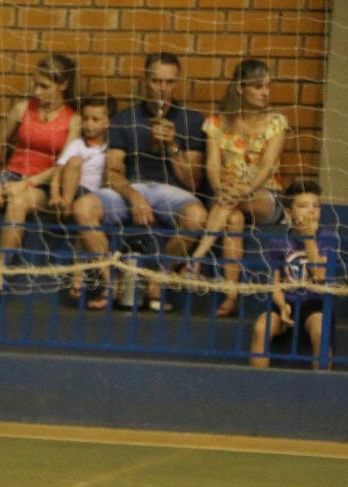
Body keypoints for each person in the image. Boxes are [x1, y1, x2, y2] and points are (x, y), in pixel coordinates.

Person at [78, 52, 207, 312]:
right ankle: (112, 284)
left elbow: (193, 182)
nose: (163, 88)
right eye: (156, 81)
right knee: (83, 208)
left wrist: (172, 146)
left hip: (174, 192)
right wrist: (135, 198)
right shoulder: (125, 119)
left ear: (178, 82)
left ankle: (157, 282)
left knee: (197, 217)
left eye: (169, 82)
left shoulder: (192, 120)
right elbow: (111, 174)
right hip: (133, 186)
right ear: (145, 81)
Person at [0, 53, 78, 298]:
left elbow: (62, 165)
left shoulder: (73, 120)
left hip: (42, 184)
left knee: (18, 202)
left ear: (63, 85)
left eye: (44, 86)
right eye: (35, 84)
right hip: (12, 174)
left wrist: (27, 184)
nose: (37, 91)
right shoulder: (23, 108)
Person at [188, 59, 289, 317]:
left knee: (235, 203)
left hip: (264, 197)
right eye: (258, 86)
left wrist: (245, 190)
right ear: (241, 88)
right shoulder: (217, 122)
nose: (265, 92)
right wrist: (220, 188)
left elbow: (267, 166)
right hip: (226, 196)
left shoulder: (276, 122)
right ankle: (231, 296)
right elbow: (212, 165)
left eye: (267, 86)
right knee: (233, 219)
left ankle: (197, 256)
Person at [250, 180, 337, 368]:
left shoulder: (327, 238)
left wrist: (308, 238)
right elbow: (274, 282)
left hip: (315, 304)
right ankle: (256, 383)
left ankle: (323, 384)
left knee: (320, 332)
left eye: (316, 206)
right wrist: (282, 306)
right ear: (289, 212)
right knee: (260, 328)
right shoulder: (277, 241)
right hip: (286, 302)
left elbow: (319, 275)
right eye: (303, 206)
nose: (311, 211)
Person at [53, 95, 115, 308]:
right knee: (75, 163)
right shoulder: (77, 144)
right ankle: (67, 205)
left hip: (96, 198)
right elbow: (58, 170)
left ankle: (78, 276)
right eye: (86, 119)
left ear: (107, 122)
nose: (89, 124)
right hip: (75, 191)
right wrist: (56, 195)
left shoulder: (111, 148)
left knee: (84, 222)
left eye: (95, 120)